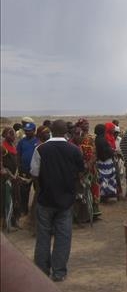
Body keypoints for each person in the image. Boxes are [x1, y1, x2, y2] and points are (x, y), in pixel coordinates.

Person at [30, 119, 85, 282]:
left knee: (43, 237)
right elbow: (81, 173)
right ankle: (59, 272)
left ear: (51, 131)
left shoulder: (40, 149)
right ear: (66, 132)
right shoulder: (74, 150)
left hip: (45, 199)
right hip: (66, 201)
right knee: (63, 237)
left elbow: (34, 173)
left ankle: (41, 272)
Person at [69, 119, 101, 221]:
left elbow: (95, 152)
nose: (87, 125)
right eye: (84, 124)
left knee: (93, 188)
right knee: (82, 191)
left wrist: (90, 164)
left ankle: (94, 212)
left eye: (87, 123)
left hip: (91, 168)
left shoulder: (90, 137)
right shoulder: (77, 140)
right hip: (81, 169)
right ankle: (84, 214)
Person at [16, 122, 39, 223]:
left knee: (38, 190)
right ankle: (23, 210)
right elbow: (18, 154)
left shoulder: (38, 141)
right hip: (24, 170)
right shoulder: (22, 142)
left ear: (34, 131)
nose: (27, 132)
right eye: (26, 131)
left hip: (36, 171)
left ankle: (35, 212)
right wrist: (19, 166)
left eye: (29, 131)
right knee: (24, 191)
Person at [1, 128, 20, 231]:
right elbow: (2, 166)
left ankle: (15, 221)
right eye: (10, 134)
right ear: (4, 135)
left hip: (15, 177)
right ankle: (6, 223)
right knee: (8, 200)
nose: (13, 136)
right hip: (6, 179)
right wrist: (9, 175)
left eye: (13, 134)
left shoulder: (13, 145)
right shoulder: (2, 147)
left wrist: (16, 175)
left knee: (16, 199)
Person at [95, 123, 118, 203]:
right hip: (105, 162)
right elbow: (106, 151)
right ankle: (105, 196)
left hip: (102, 162)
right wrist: (113, 152)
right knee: (106, 179)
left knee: (104, 179)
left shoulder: (98, 139)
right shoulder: (102, 140)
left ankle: (105, 195)